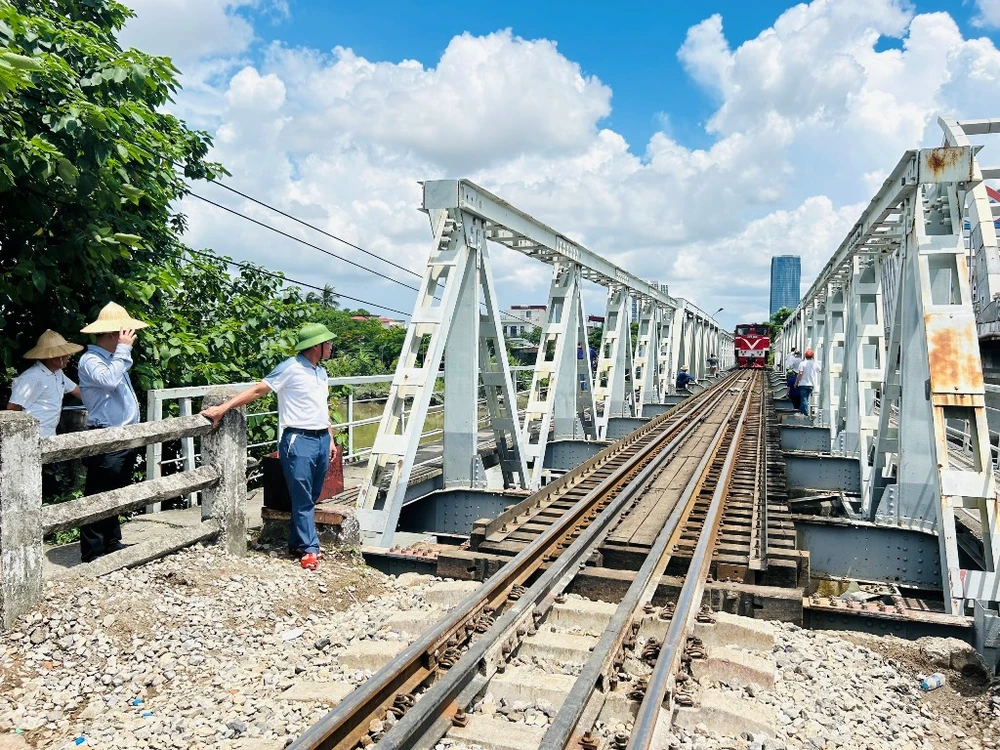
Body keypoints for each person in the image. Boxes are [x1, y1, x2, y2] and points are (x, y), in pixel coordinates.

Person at [201, 322, 336, 571]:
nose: (331, 346)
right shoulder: (290, 368)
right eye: (328, 343)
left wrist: (331, 436)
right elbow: (257, 390)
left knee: (311, 494)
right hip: (298, 439)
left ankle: (297, 542)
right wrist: (222, 408)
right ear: (316, 346)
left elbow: (322, 406)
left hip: (320, 439)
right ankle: (309, 549)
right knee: (303, 496)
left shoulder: (321, 372)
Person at [77, 302, 149, 563]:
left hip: (123, 435)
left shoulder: (113, 358)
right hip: (106, 435)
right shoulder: (91, 360)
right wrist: (123, 350)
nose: (130, 336)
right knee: (98, 493)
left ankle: (111, 541)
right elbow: (108, 380)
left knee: (115, 492)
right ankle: (93, 552)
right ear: (113, 334)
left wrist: (120, 353)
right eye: (125, 332)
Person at [7, 330, 84, 437]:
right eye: (65, 354)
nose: (68, 357)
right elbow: (12, 408)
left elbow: (77, 391)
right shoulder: (31, 377)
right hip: (31, 435)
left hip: (49, 433)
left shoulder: (58, 373)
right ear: (54, 357)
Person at [795, 349, 820, 417]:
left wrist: (796, 383)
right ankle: (800, 412)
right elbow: (820, 370)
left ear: (805, 356)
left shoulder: (802, 363)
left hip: (803, 384)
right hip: (811, 384)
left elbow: (800, 374)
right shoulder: (815, 364)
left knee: (804, 399)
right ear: (812, 356)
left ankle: (806, 413)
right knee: (805, 399)